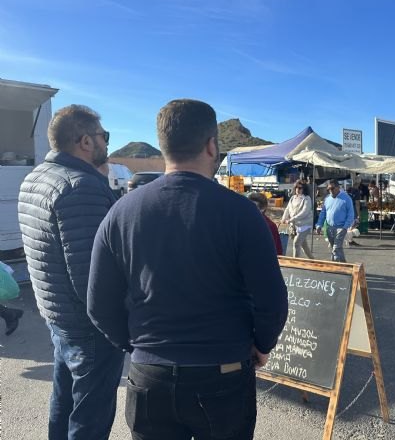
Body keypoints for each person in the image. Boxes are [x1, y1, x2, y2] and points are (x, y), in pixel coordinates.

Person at [87, 99, 288, 440]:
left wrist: (136, 346)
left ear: (164, 146)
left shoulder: (120, 213)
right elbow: (272, 299)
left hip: (149, 375)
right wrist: (262, 344)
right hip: (224, 372)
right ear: (212, 145)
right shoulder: (242, 214)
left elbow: (98, 305)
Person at [17, 105, 125, 439]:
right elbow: (92, 277)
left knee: (64, 402)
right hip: (88, 327)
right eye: (103, 136)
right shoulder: (81, 187)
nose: (107, 143)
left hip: (57, 316)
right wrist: (118, 329)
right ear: (85, 142)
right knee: (90, 416)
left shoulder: (36, 177)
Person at [315, 179, 355, 262]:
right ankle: (344, 264)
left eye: (332, 188)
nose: (330, 191)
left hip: (341, 227)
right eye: (328, 189)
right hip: (329, 227)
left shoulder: (346, 198)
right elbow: (323, 213)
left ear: (338, 187)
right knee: (336, 247)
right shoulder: (327, 199)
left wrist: (345, 227)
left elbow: (351, 214)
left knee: (336, 248)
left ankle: (335, 267)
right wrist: (319, 225)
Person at [281, 180, 315, 258]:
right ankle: (312, 260)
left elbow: (304, 212)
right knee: (304, 245)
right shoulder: (293, 198)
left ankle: (295, 261)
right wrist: (283, 218)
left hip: (305, 225)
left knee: (296, 243)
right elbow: (287, 209)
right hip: (295, 226)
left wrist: (291, 219)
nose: (297, 189)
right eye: (296, 187)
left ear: (304, 189)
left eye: (300, 188)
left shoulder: (307, 198)